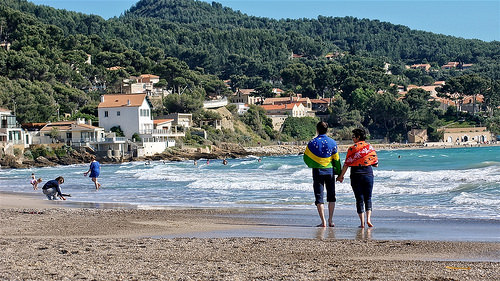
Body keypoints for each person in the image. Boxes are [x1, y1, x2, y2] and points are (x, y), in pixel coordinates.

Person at [336, 128, 378, 228]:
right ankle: (368, 219)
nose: (352, 138)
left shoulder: (352, 148)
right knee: (368, 198)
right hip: (368, 174)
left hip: (356, 175)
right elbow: (375, 164)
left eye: (353, 136)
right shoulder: (370, 147)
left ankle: (362, 223)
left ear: (358, 137)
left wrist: (341, 176)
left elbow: (346, 164)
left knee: (359, 199)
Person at [303, 121, 342, 227]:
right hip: (330, 171)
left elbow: (306, 158)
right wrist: (339, 173)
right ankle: (330, 220)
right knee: (331, 196)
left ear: (317, 130)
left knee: (319, 197)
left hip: (317, 171)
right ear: (327, 130)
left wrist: (314, 164)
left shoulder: (312, 142)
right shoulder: (332, 142)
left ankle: (323, 222)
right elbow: (336, 160)